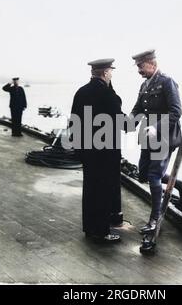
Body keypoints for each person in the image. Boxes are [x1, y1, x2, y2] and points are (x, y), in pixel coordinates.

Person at [70, 58, 123, 242]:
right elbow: (120, 119)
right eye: (111, 72)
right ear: (106, 73)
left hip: (87, 151)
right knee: (104, 191)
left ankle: (89, 228)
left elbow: (74, 122)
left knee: (90, 189)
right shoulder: (107, 95)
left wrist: (79, 150)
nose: (111, 74)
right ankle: (102, 232)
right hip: (105, 153)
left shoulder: (81, 92)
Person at [129, 50, 182, 234]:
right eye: (137, 67)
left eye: (141, 66)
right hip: (147, 136)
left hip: (164, 136)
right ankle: (181, 185)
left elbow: (176, 111)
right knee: (142, 174)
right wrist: (129, 122)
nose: (139, 70)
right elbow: (137, 109)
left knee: (153, 176)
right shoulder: (145, 85)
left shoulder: (167, 82)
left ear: (152, 63)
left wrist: (157, 128)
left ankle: (154, 219)